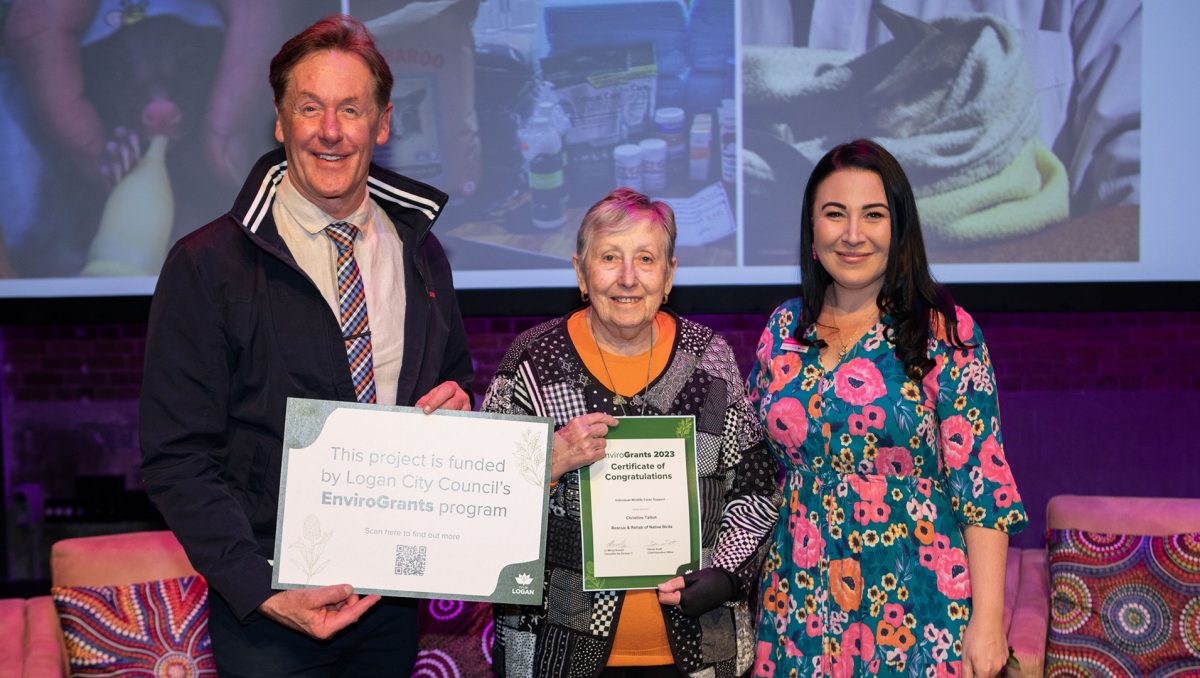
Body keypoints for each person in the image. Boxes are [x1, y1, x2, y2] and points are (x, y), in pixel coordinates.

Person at [138, 14, 473, 676]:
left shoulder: (421, 253)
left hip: (388, 600)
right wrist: (263, 589)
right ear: (279, 120)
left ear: (381, 124)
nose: (329, 130)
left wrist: (459, 411)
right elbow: (176, 457)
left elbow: (457, 383)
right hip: (269, 611)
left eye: (351, 110)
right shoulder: (208, 265)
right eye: (309, 107)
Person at [749, 140, 1026, 677]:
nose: (853, 234)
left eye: (873, 215)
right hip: (796, 600)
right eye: (835, 214)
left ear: (898, 230)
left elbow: (983, 487)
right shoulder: (782, 331)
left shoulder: (946, 332)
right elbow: (750, 465)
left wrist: (988, 621)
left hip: (918, 603)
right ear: (812, 232)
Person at [484, 187, 781, 677]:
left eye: (646, 259)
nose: (627, 278)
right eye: (609, 258)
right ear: (581, 272)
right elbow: (482, 497)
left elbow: (754, 488)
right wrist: (548, 463)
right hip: (555, 653)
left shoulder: (710, 360)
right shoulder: (532, 361)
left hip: (695, 651)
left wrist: (725, 576)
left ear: (669, 276)